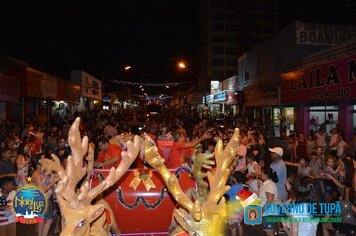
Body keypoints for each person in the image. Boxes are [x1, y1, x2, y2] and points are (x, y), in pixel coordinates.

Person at [259, 167, 279, 236]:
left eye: (261, 173)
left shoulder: (270, 185)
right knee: (270, 232)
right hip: (267, 213)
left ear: (266, 175)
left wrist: (261, 211)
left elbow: (269, 201)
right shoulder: (267, 184)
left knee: (269, 233)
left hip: (268, 213)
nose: (260, 174)